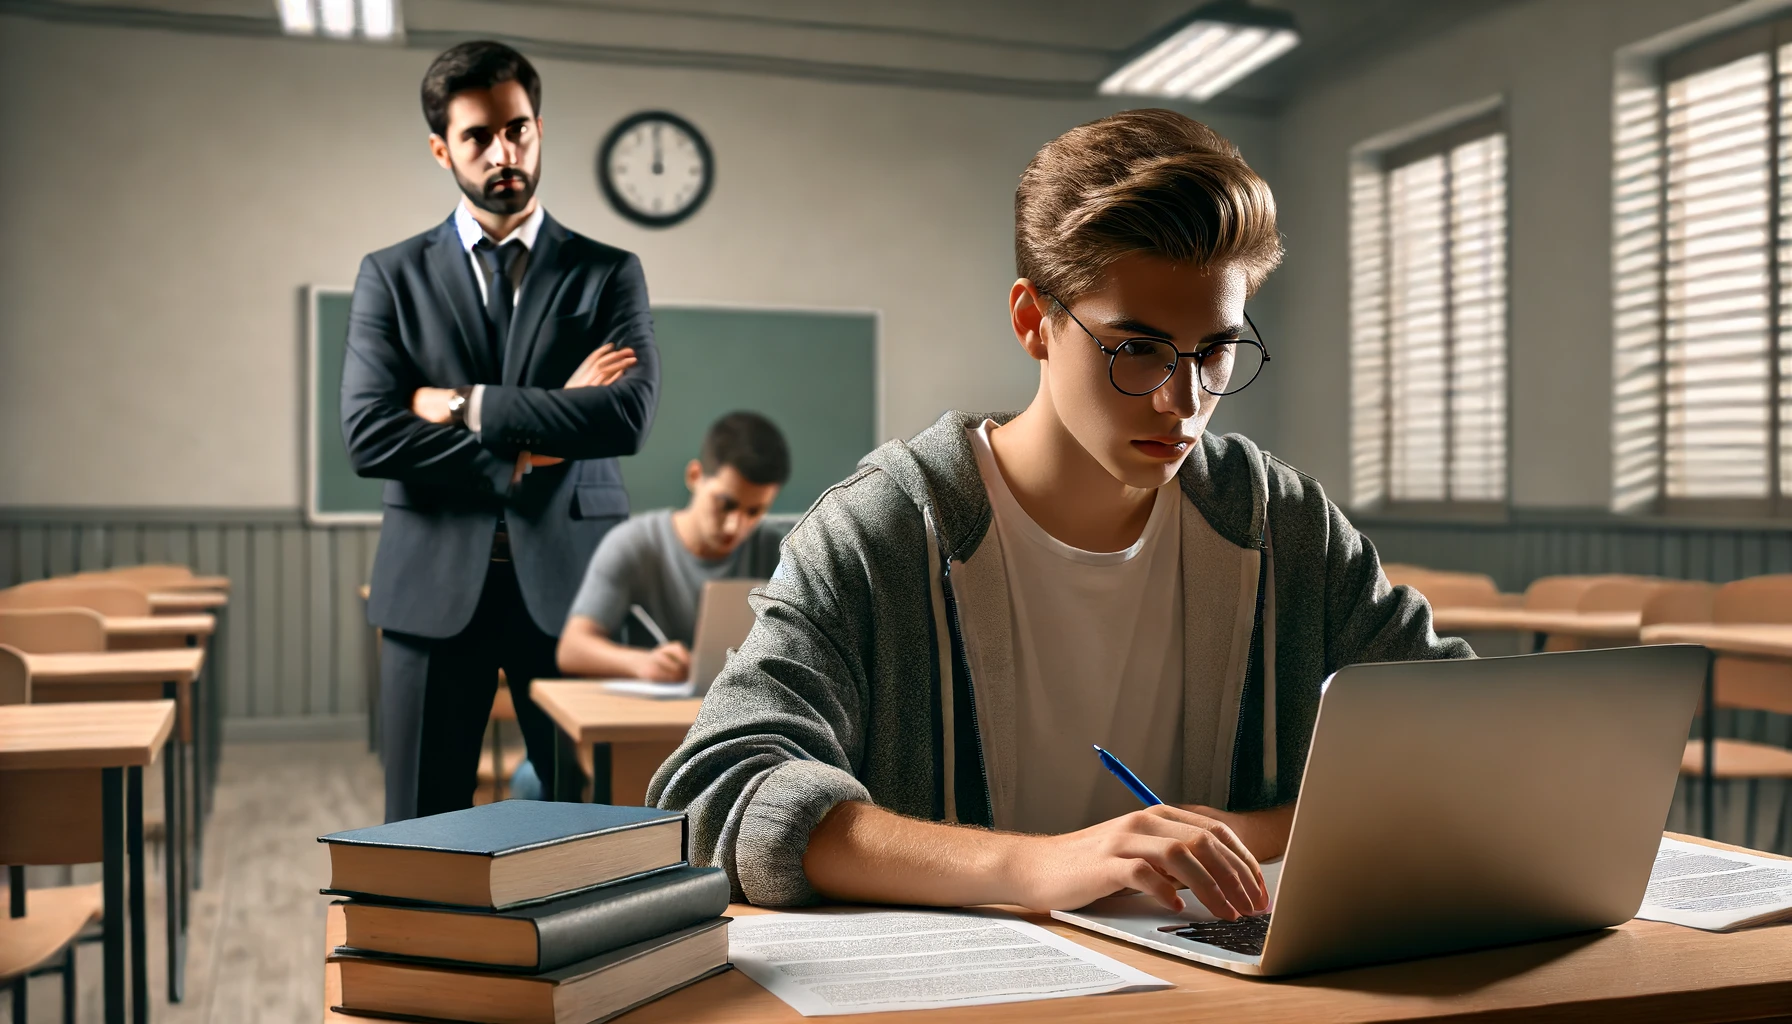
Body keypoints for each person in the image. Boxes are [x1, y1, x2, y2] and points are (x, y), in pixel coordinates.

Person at [649, 109, 1469, 920]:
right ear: (1033, 322)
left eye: (1214, 351)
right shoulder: (882, 533)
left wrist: (1240, 834)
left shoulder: (1280, 521)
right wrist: (1037, 866)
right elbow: (714, 795)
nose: (1182, 401)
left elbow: (1460, 737)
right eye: (1136, 348)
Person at [341, 41, 660, 822]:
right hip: (431, 588)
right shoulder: (391, 275)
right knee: (421, 823)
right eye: (479, 136)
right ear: (442, 148)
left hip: (573, 589)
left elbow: (624, 415)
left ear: (539, 128)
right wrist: (537, 436)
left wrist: (464, 404)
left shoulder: (607, 272)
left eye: (517, 129)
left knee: (586, 824)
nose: (503, 152)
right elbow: (370, 435)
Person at [557, 411, 791, 681]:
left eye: (754, 512)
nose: (734, 527)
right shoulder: (634, 544)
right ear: (695, 476)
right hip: (651, 717)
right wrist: (640, 663)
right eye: (725, 504)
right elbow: (572, 648)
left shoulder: (780, 552)